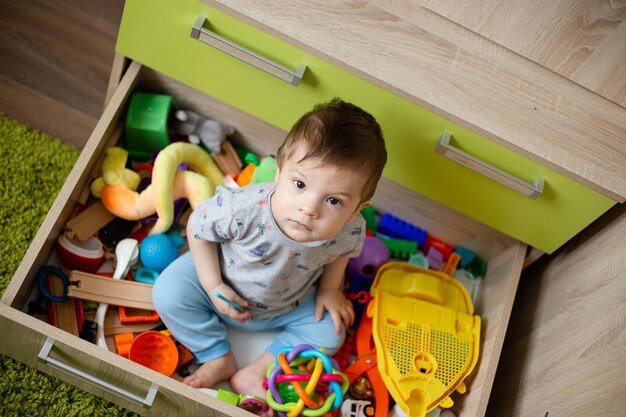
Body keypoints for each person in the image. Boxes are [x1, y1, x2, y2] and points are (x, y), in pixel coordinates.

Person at [152, 98, 387, 412]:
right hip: (223, 281)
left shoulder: (350, 229)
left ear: (357, 210)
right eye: (300, 184)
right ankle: (216, 355)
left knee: (331, 333)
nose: (310, 208)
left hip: (288, 302)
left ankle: (258, 369)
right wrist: (211, 285)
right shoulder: (244, 209)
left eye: (334, 201)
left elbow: (342, 253)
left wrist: (330, 290)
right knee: (168, 292)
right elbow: (197, 227)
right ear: (279, 172)